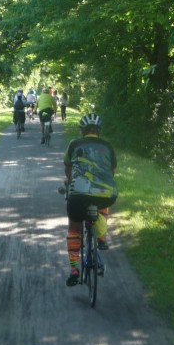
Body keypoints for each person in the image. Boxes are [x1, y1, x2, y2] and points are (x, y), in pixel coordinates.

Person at [62, 113, 117, 286]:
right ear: (99, 131)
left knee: (74, 228)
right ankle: (101, 238)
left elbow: (68, 167)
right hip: (107, 193)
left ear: (82, 131)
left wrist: (70, 183)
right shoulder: (107, 146)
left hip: (79, 193)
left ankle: (74, 269)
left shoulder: (74, 144)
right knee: (102, 202)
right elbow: (111, 170)